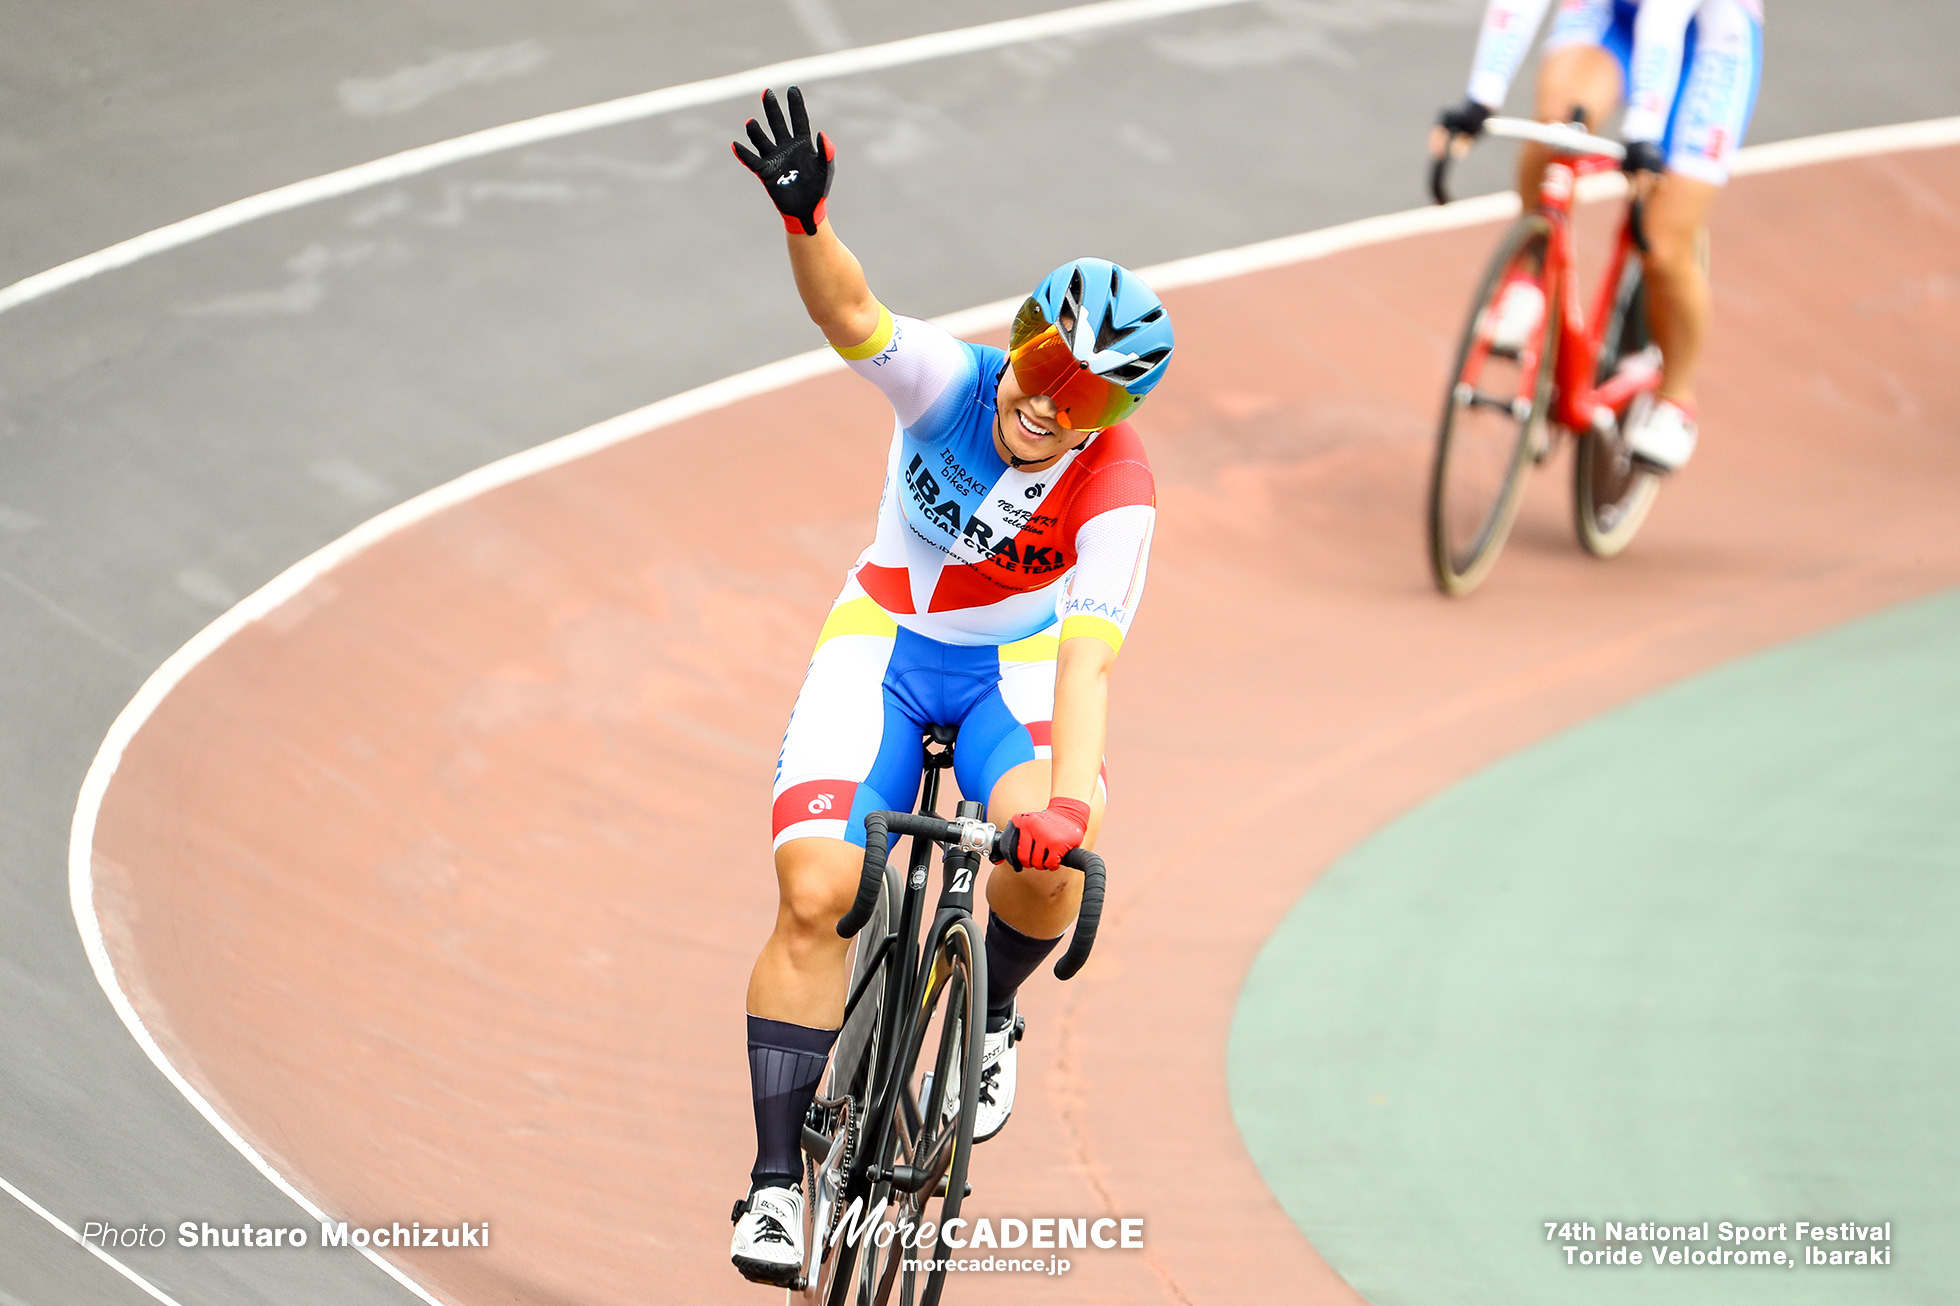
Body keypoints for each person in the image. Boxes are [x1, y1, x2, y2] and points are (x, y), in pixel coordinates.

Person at [723, 86, 1173, 1286]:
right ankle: (775, 1185)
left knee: (1047, 865)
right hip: (882, 642)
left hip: (1009, 676)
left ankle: (994, 1015)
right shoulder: (951, 383)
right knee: (817, 889)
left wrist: (1063, 816)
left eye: (1083, 398)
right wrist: (806, 222)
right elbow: (854, 312)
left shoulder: (1116, 495)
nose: (1043, 403)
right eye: (1041, 366)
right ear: (1018, 341)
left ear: (1114, 413)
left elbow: (1084, 660)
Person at [1433, 0, 1763, 472]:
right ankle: (1531, 276)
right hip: (1613, 13)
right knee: (1555, 128)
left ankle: (1675, 399)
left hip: (1710, 37)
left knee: (1665, 244)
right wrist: (1480, 99)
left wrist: (1643, 133)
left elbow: (1664, 21)